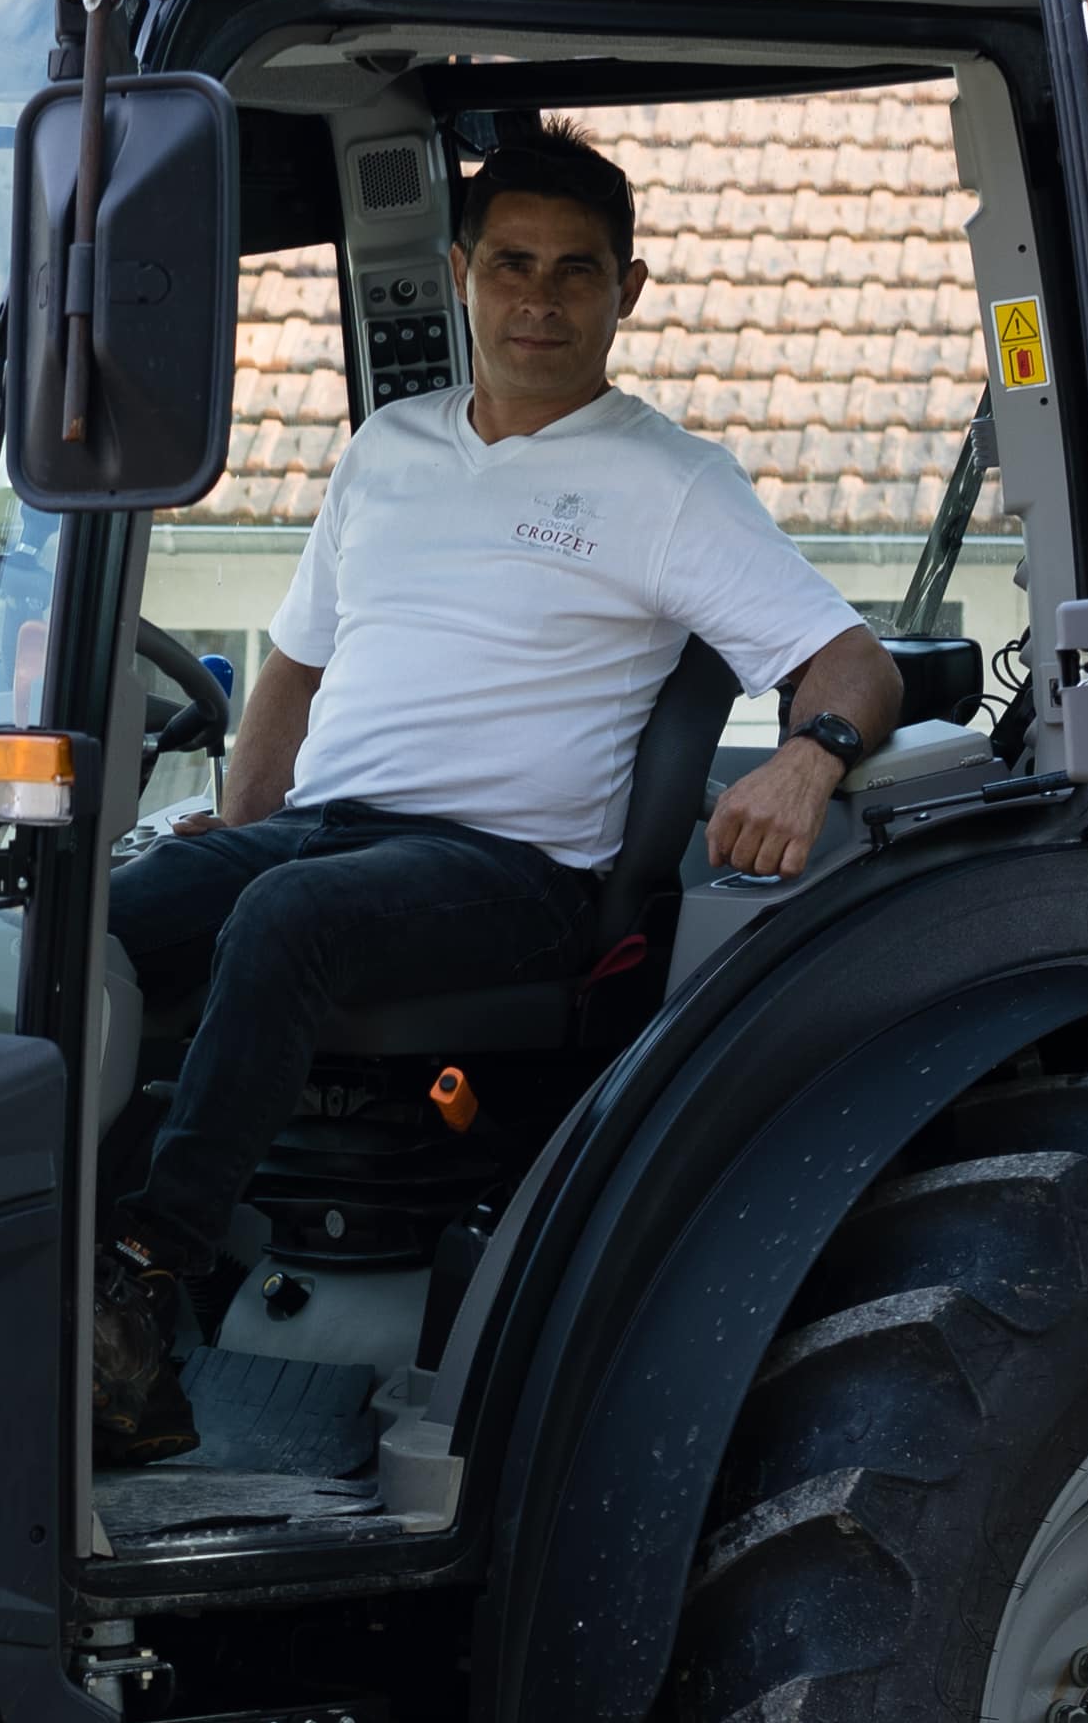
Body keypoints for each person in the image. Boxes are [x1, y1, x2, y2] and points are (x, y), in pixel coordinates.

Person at [96, 121, 908, 1464]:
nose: (541, 299)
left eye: (577, 272)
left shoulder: (670, 483)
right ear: (464, 272)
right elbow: (291, 677)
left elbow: (852, 662)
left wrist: (808, 753)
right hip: (325, 833)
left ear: (626, 291)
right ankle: (36, 1245)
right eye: (514, 264)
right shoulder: (387, 451)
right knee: (95, 922)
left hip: (517, 875)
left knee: (288, 917)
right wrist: (234, 827)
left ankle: (147, 1280)